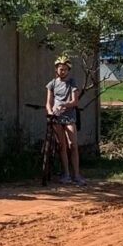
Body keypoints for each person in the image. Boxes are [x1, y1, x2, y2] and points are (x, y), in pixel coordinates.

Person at [46, 55, 85, 186]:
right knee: (61, 146)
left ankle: (77, 174)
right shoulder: (52, 84)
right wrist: (51, 112)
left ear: (68, 70)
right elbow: (48, 103)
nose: (62, 71)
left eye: (65, 69)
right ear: (56, 69)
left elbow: (75, 101)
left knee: (73, 145)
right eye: (60, 69)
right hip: (57, 118)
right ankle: (66, 174)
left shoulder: (72, 83)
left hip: (69, 117)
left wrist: (63, 105)